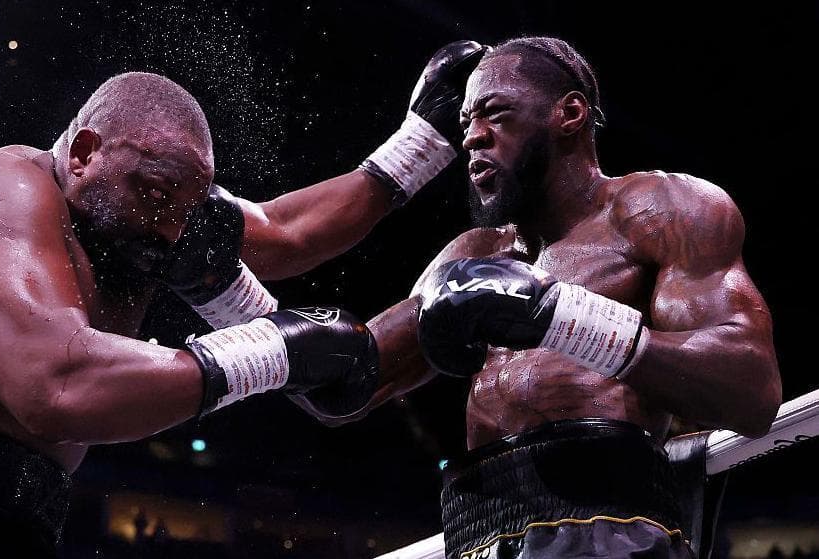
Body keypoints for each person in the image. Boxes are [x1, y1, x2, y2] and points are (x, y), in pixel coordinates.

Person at [0, 42, 485, 558]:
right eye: (154, 192)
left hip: (20, 508)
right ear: (84, 151)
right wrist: (268, 349)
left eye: (187, 204)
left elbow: (289, 235)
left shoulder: (162, 204)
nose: (172, 226)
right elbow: (55, 385)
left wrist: (420, 143)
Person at [295, 36, 782, 559]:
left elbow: (751, 390)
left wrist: (561, 317)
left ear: (569, 113)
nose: (472, 139)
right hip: (478, 526)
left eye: (495, 114)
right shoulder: (474, 254)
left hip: (607, 519)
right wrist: (226, 299)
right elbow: (346, 388)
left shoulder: (661, 210)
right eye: (465, 124)